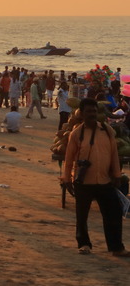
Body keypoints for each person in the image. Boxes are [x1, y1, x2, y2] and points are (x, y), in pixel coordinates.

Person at [61, 98, 130, 257]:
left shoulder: (106, 130)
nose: (92, 114)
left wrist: (117, 175)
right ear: (82, 114)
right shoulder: (76, 133)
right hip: (84, 182)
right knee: (82, 215)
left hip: (105, 181)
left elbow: (114, 154)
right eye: (88, 112)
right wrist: (66, 178)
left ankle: (116, 247)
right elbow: (69, 158)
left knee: (113, 214)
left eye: (94, 111)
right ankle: (84, 244)